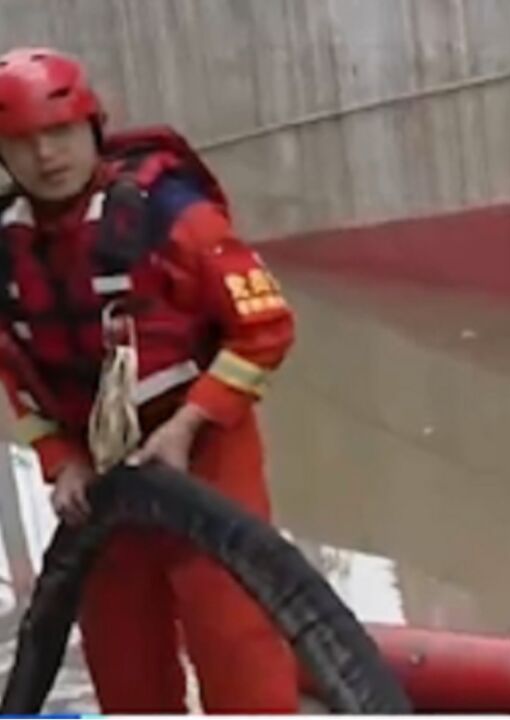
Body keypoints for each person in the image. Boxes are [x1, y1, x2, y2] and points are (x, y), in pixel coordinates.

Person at [0, 47, 298, 713]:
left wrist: (190, 425)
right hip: (99, 475)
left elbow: (267, 328)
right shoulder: (5, 249)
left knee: (233, 635)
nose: (46, 156)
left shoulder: (175, 218)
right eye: (22, 143)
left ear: (92, 128)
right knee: (122, 652)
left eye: (59, 134)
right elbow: (13, 371)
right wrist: (60, 461)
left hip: (205, 458)